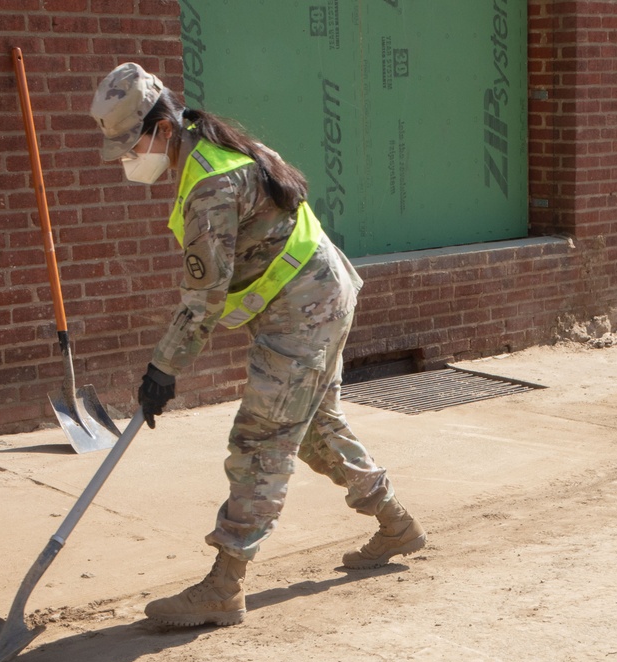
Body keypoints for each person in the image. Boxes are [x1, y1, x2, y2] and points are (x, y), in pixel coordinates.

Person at [90, 62, 426, 629]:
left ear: (163, 129)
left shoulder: (211, 184)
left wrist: (162, 369)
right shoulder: (209, 148)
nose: (128, 159)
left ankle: (225, 584)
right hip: (318, 294)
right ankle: (396, 524)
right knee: (317, 432)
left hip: (304, 309)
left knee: (260, 438)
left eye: (132, 145)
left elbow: (204, 297)